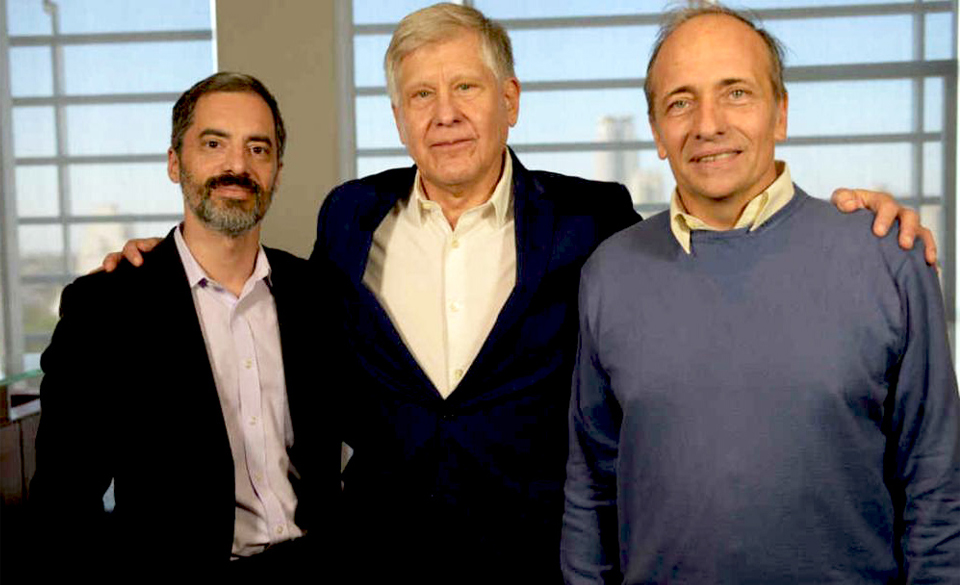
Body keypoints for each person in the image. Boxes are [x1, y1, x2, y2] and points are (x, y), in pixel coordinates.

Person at [104, 4, 935, 581]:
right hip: (377, 560)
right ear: (398, 117)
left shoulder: (593, 220)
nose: (446, 113)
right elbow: (272, 297)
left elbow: (716, 226)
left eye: (467, 88)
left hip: (535, 559)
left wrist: (860, 217)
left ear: (510, 102)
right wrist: (164, 260)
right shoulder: (350, 216)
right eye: (421, 95)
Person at [561, 5, 960, 583]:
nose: (708, 124)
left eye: (736, 93)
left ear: (781, 114)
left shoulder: (887, 257)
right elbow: (591, 485)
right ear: (656, 134)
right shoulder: (609, 273)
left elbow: (937, 483)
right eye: (680, 102)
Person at [30, 73, 328, 576]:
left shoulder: (315, 294)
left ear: (277, 170)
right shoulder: (107, 308)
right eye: (214, 144)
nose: (238, 165)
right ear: (175, 163)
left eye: (258, 148)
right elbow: (62, 502)